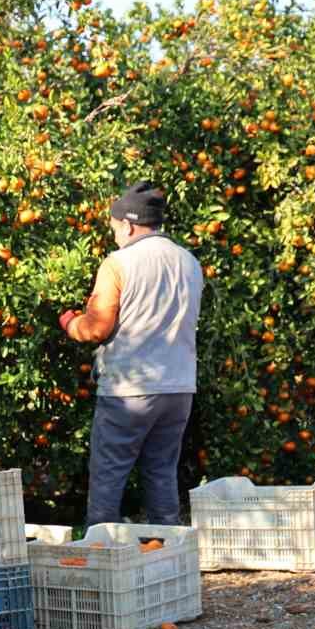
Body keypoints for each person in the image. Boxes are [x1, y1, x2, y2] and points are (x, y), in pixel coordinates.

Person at [58, 181, 203, 528]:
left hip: (130, 390)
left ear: (128, 224)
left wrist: (68, 321)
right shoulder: (189, 262)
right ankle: (165, 555)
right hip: (179, 388)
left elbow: (96, 328)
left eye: (114, 228)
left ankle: (103, 557)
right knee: (161, 472)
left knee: (109, 475)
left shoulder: (119, 263)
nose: (114, 236)